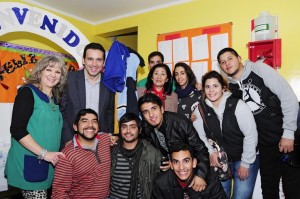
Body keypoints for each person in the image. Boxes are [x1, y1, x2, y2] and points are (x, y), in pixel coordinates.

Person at [217, 47, 300, 199]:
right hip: (265, 146)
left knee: (293, 189)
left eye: (230, 58)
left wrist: (288, 132)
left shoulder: (259, 69)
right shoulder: (232, 88)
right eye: (222, 62)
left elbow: (289, 98)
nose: (227, 63)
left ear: (239, 58)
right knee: (268, 191)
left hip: (286, 137)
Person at [4, 56, 67, 199]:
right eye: (49, 69)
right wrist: (45, 154)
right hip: (31, 162)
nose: (53, 75)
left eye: (58, 72)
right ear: (40, 72)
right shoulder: (27, 93)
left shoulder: (54, 99)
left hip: (47, 164)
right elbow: (17, 130)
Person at [193, 70, 259, 199]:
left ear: (223, 88)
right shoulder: (199, 110)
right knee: (220, 195)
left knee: (240, 197)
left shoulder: (238, 105)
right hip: (221, 160)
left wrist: (245, 163)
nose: (211, 90)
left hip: (245, 157)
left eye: (215, 86)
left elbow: (251, 135)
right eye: (207, 86)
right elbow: (200, 136)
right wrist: (211, 152)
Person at [138, 93, 209, 192]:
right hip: (172, 171)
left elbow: (201, 150)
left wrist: (200, 175)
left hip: (192, 168)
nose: (151, 115)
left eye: (154, 108)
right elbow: (134, 136)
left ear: (162, 109)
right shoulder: (146, 127)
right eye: (146, 112)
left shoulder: (180, 123)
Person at [60, 42, 115, 146]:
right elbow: (61, 111)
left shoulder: (109, 83)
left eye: (98, 60)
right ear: (83, 60)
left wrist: (108, 135)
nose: (94, 64)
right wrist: (67, 139)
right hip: (72, 141)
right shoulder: (69, 79)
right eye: (90, 59)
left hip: (100, 142)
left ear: (104, 62)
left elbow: (109, 113)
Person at [52, 109, 111, 199]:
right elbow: (59, 192)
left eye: (94, 121)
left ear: (98, 127)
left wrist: (116, 138)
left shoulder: (105, 139)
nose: (90, 125)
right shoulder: (67, 155)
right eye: (84, 121)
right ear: (75, 127)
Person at [110, 113, 162, 199]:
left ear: (140, 130)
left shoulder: (151, 153)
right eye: (124, 127)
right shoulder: (112, 151)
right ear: (120, 130)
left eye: (133, 127)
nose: (128, 131)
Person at [152, 143, 227, 199]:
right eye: (176, 162)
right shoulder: (161, 183)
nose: (181, 167)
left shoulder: (210, 178)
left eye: (186, 161)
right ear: (171, 165)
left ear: (194, 163)